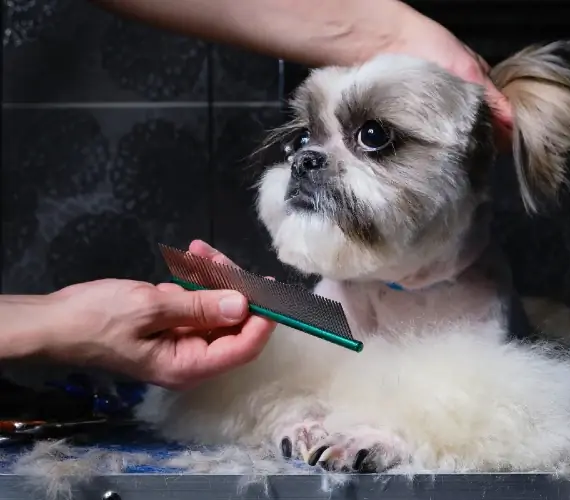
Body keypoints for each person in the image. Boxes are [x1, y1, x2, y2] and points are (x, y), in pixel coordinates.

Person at [0, 0, 513, 390]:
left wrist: (57, 320)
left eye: (373, 138)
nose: (306, 161)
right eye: (302, 140)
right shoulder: (327, 306)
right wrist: (61, 324)